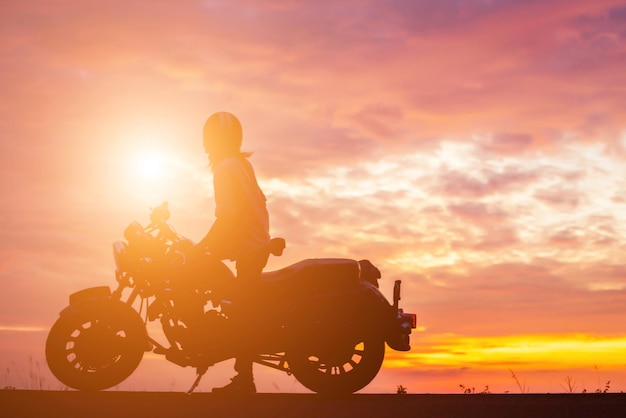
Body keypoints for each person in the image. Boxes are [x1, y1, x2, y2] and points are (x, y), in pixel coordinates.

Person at [195, 111, 270, 394]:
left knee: (241, 312)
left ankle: (244, 381)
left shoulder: (226, 168)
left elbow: (229, 216)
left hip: (249, 246)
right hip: (255, 243)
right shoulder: (241, 164)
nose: (206, 144)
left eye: (210, 138)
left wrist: (203, 248)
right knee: (240, 306)